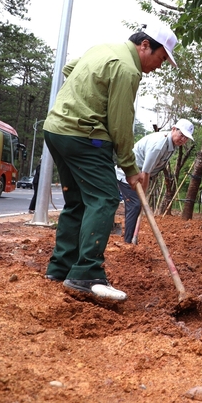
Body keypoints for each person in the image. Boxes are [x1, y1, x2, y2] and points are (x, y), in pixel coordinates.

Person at [42, 22, 178, 302]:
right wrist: (130, 168)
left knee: (78, 201)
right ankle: (87, 273)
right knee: (104, 198)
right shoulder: (128, 70)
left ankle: (59, 268)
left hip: (56, 129)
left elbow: (71, 70)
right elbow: (120, 124)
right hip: (84, 137)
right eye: (161, 57)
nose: (160, 65)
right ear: (145, 45)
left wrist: (85, 98)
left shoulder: (103, 49)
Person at [116, 119, 194, 244]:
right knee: (135, 205)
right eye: (182, 135)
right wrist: (143, 197)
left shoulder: (172, 145)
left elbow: (149, 172)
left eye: (186, 138)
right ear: (174, 129)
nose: (183, 140)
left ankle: (130, 239)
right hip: (128, 173)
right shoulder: (159, 145)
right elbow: (145, 172)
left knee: (133, 204)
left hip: (140, 175)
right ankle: (128, 242)